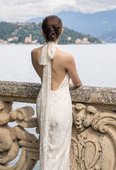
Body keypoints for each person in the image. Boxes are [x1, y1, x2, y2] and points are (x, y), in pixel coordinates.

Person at [31, 15, 82, 170]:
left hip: (44, 102)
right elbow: (78, 83)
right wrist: (67, 83)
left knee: (45, 148)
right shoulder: (67, 58)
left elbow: (43, 77)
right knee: (59, 152)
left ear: (42, 31)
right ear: (62, 31)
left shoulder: (34, 53)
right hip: (60, 104)